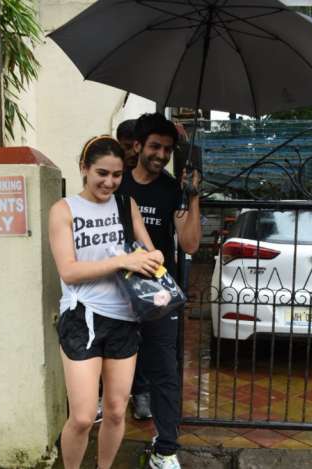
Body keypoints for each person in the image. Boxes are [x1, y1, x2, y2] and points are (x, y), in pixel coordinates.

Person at [49, 136, 164, 469]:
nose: (109, 182)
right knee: (84, 416)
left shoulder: (125, 205)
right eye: (102, 173)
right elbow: (68, 271)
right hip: (81, 317)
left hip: (124, 318)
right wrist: (121, 262)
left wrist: (150, 257)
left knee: (115, 410)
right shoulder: (64, 210)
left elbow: (151, 252)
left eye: (116, 175)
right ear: (84, 168)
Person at [118, 113, 202, 469]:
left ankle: (166, 448)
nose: (161, 154)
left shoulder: (172, 190)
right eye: (154, 146)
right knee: (114, 373)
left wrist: (193, 197)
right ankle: (107, 441)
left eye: (167, 149)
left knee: (165, 372)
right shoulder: (117, 185)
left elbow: (191, 244)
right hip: (115, 293)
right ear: (137, 146)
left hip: (158, 295)